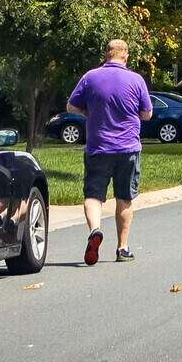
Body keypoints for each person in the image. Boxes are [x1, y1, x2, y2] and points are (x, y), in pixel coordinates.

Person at [65, 38, 152, 265]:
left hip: (98, 148)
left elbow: (71, 106)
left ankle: (95, 230)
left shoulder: (90, 77)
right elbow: (147, 114)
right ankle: (122, 248)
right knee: (124, 198)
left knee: (93, 196)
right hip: (127, 148)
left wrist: (87, 110)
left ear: (106, 54)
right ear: (126, 56)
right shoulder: (136, 80)